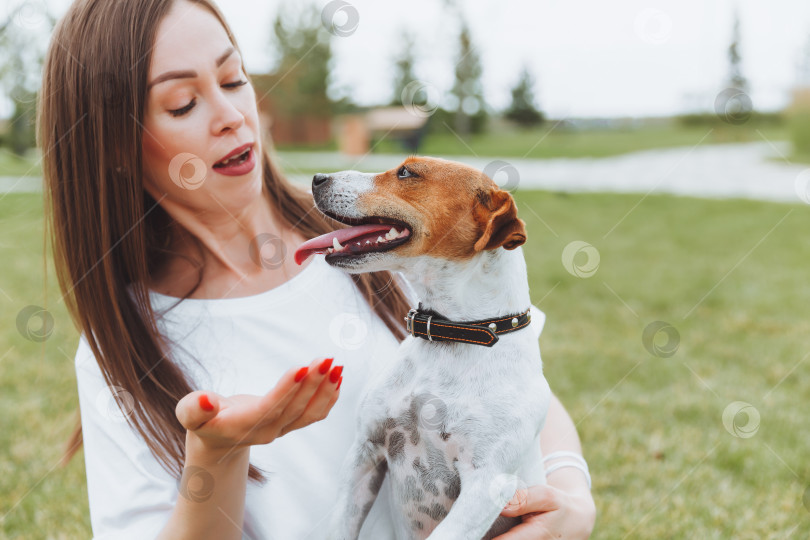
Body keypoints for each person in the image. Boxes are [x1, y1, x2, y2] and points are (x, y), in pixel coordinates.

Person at [40, 0, 597, 538]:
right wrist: (220, 453)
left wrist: (572, 499)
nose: (234, 116)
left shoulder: (385, 245)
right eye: (184, 103)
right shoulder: (124, 349)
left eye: (234, 79)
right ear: (112, 145)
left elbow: (520, 388)